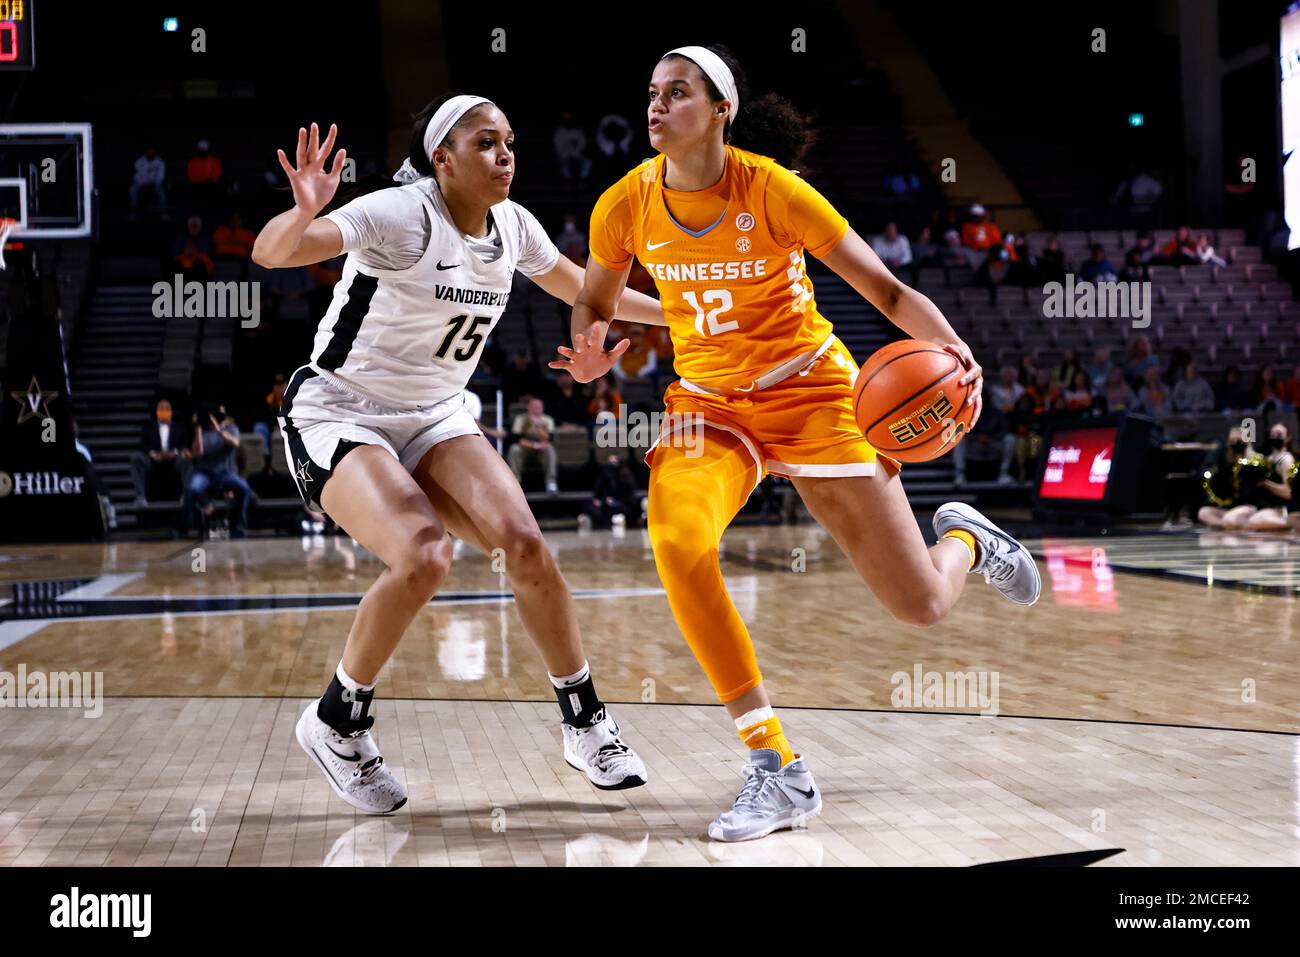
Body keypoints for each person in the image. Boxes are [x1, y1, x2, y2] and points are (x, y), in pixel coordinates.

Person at [554, 44, 1039, 843]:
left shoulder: (774, 190)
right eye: (652, 92)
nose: (657, 104)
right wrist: (592, 348)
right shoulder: (624, 204)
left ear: (721, 110)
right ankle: (776, 766)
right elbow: (595, 300)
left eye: (677, 93)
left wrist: (961, 356)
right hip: (709, 404)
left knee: (919, 604)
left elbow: (885, 290)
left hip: (813, 392)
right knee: (676, 540)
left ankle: (965, 540)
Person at [250, 98, 669, 813]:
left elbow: (580, 285)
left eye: (510, 140)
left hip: (435, 415)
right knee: (425, 554)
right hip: (341, 409)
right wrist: (304, 210)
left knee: (527, 546)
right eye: (485, 142)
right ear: (442, 156)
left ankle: (585, 721)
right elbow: (273, 252)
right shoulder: (399, 213)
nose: (505, 153)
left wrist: (684, 313)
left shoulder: (513, 226)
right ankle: (336, 722)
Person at [183, 405, 253, 537]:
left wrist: (219, 431)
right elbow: (198, 453)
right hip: (204, 473)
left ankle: (239, 524)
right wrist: (198, 427)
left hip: (223, 472)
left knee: (244, 488)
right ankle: (186, 525)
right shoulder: (200, 431)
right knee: (192, 489)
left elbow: (235, 443)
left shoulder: (230, 428)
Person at [1219, 424, 1294, 530]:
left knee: (1252, 522)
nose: (1275, 437)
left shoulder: (1286, 459)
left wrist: (1263, 482)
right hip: (1262, 505)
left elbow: (1289, 493)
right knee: (1228, 520)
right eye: (1272, 434)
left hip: (1279, 507)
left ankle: (1293, 524)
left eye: (1279, 434)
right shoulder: (1269, 457)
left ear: (1287, 437)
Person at [130, 398, 191, 505]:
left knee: (187, 458)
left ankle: (186, 496)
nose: (164, 410)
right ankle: (140, 497)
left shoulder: (179, 427)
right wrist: (153, 454)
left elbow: (184, 445)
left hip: (174, 461)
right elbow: (143, 445)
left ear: (171, 411)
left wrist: (175, 453)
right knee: (136, 458)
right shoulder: (148, 427)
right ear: (157, 411)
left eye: (167, 408)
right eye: (161, 408)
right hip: (154, 461)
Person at [508, 396, 559, 493]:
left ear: (542, 408)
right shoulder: (521, 419)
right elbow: (516, 439)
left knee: (550, 449)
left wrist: (538, 426)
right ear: (529, 408)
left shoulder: (548, 420)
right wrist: (534, 445)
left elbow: (550, 439)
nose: (536, 409)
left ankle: (551, 483)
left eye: (538, 407)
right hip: (525, 449)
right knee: (514, 449)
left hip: (541, 451)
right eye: (534, 406)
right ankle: (516, 483)